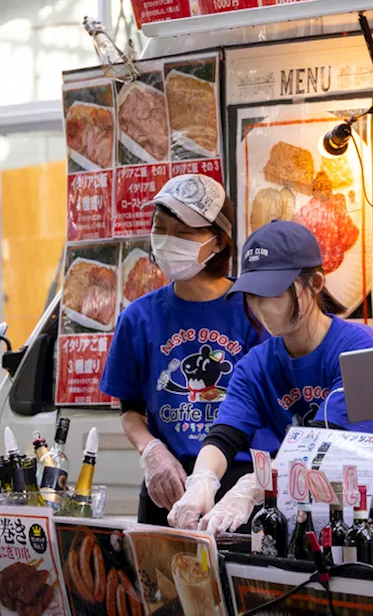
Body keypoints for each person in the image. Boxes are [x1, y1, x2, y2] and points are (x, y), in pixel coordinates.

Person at [170, 221, 373, 603]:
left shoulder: (358, 345)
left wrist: (253, 485)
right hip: (339, 500)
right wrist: (202, 482)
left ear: (315, 284)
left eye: (272, 294)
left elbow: (329, 439)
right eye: (251, 295)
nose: (261, 307)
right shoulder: (256, 365)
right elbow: (225, 435)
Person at [99, 174, 269, 525]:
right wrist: (152, 452)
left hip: (237, 488)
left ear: (218, 243)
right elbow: (130, 410)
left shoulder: (255, 311)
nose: (167, 241)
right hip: (168, 485)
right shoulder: (138, 318)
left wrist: (249, 488)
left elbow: (273, 409)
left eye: (184, 233)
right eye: (161, 229)